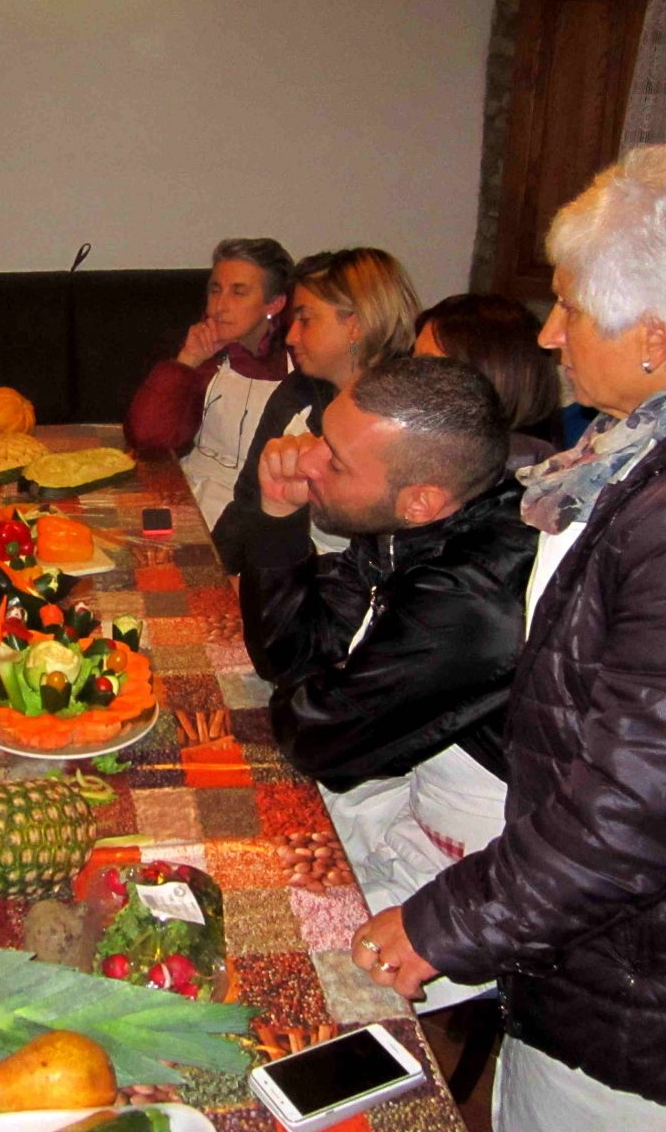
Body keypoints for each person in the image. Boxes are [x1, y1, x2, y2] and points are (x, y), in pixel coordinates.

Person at [353, 141, 666, 1127]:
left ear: (657, 335)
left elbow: (639, 805)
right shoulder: (663, 446)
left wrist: (444, 923)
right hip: (614, 953)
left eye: (571, 307)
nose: (550, 334)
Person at [240, 356, 535, 1009]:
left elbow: (317, 740)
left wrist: (320, 687)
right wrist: (278, 516)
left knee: (263, 970)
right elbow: (293, 656)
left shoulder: (471, 601)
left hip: (480, 875)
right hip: (409, 807)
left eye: (336, 460)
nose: (307, 459)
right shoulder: (416, 526)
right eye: (322, 435)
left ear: (421, 499)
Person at [213, 247, 419, 572]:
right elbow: (247, 504)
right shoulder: (298, 391)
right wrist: (212, 575)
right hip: (278, 575)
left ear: (356, 324)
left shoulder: (405, 421)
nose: (291, 336)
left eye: (305, 320)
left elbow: (388, 559)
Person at [124, 238, 294, 528]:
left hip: (262, 513)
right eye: (215, 290)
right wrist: (187, 360)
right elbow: (147, 438)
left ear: (274, 304)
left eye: (238, 292)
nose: (219, 306)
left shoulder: (301, 361)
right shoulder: (205, 357)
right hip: (190, 499)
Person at [411, 293, 561, 470]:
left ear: (493, 376)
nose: (410, 377)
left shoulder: (529, 470)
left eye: (429, 367)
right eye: (414, 363)